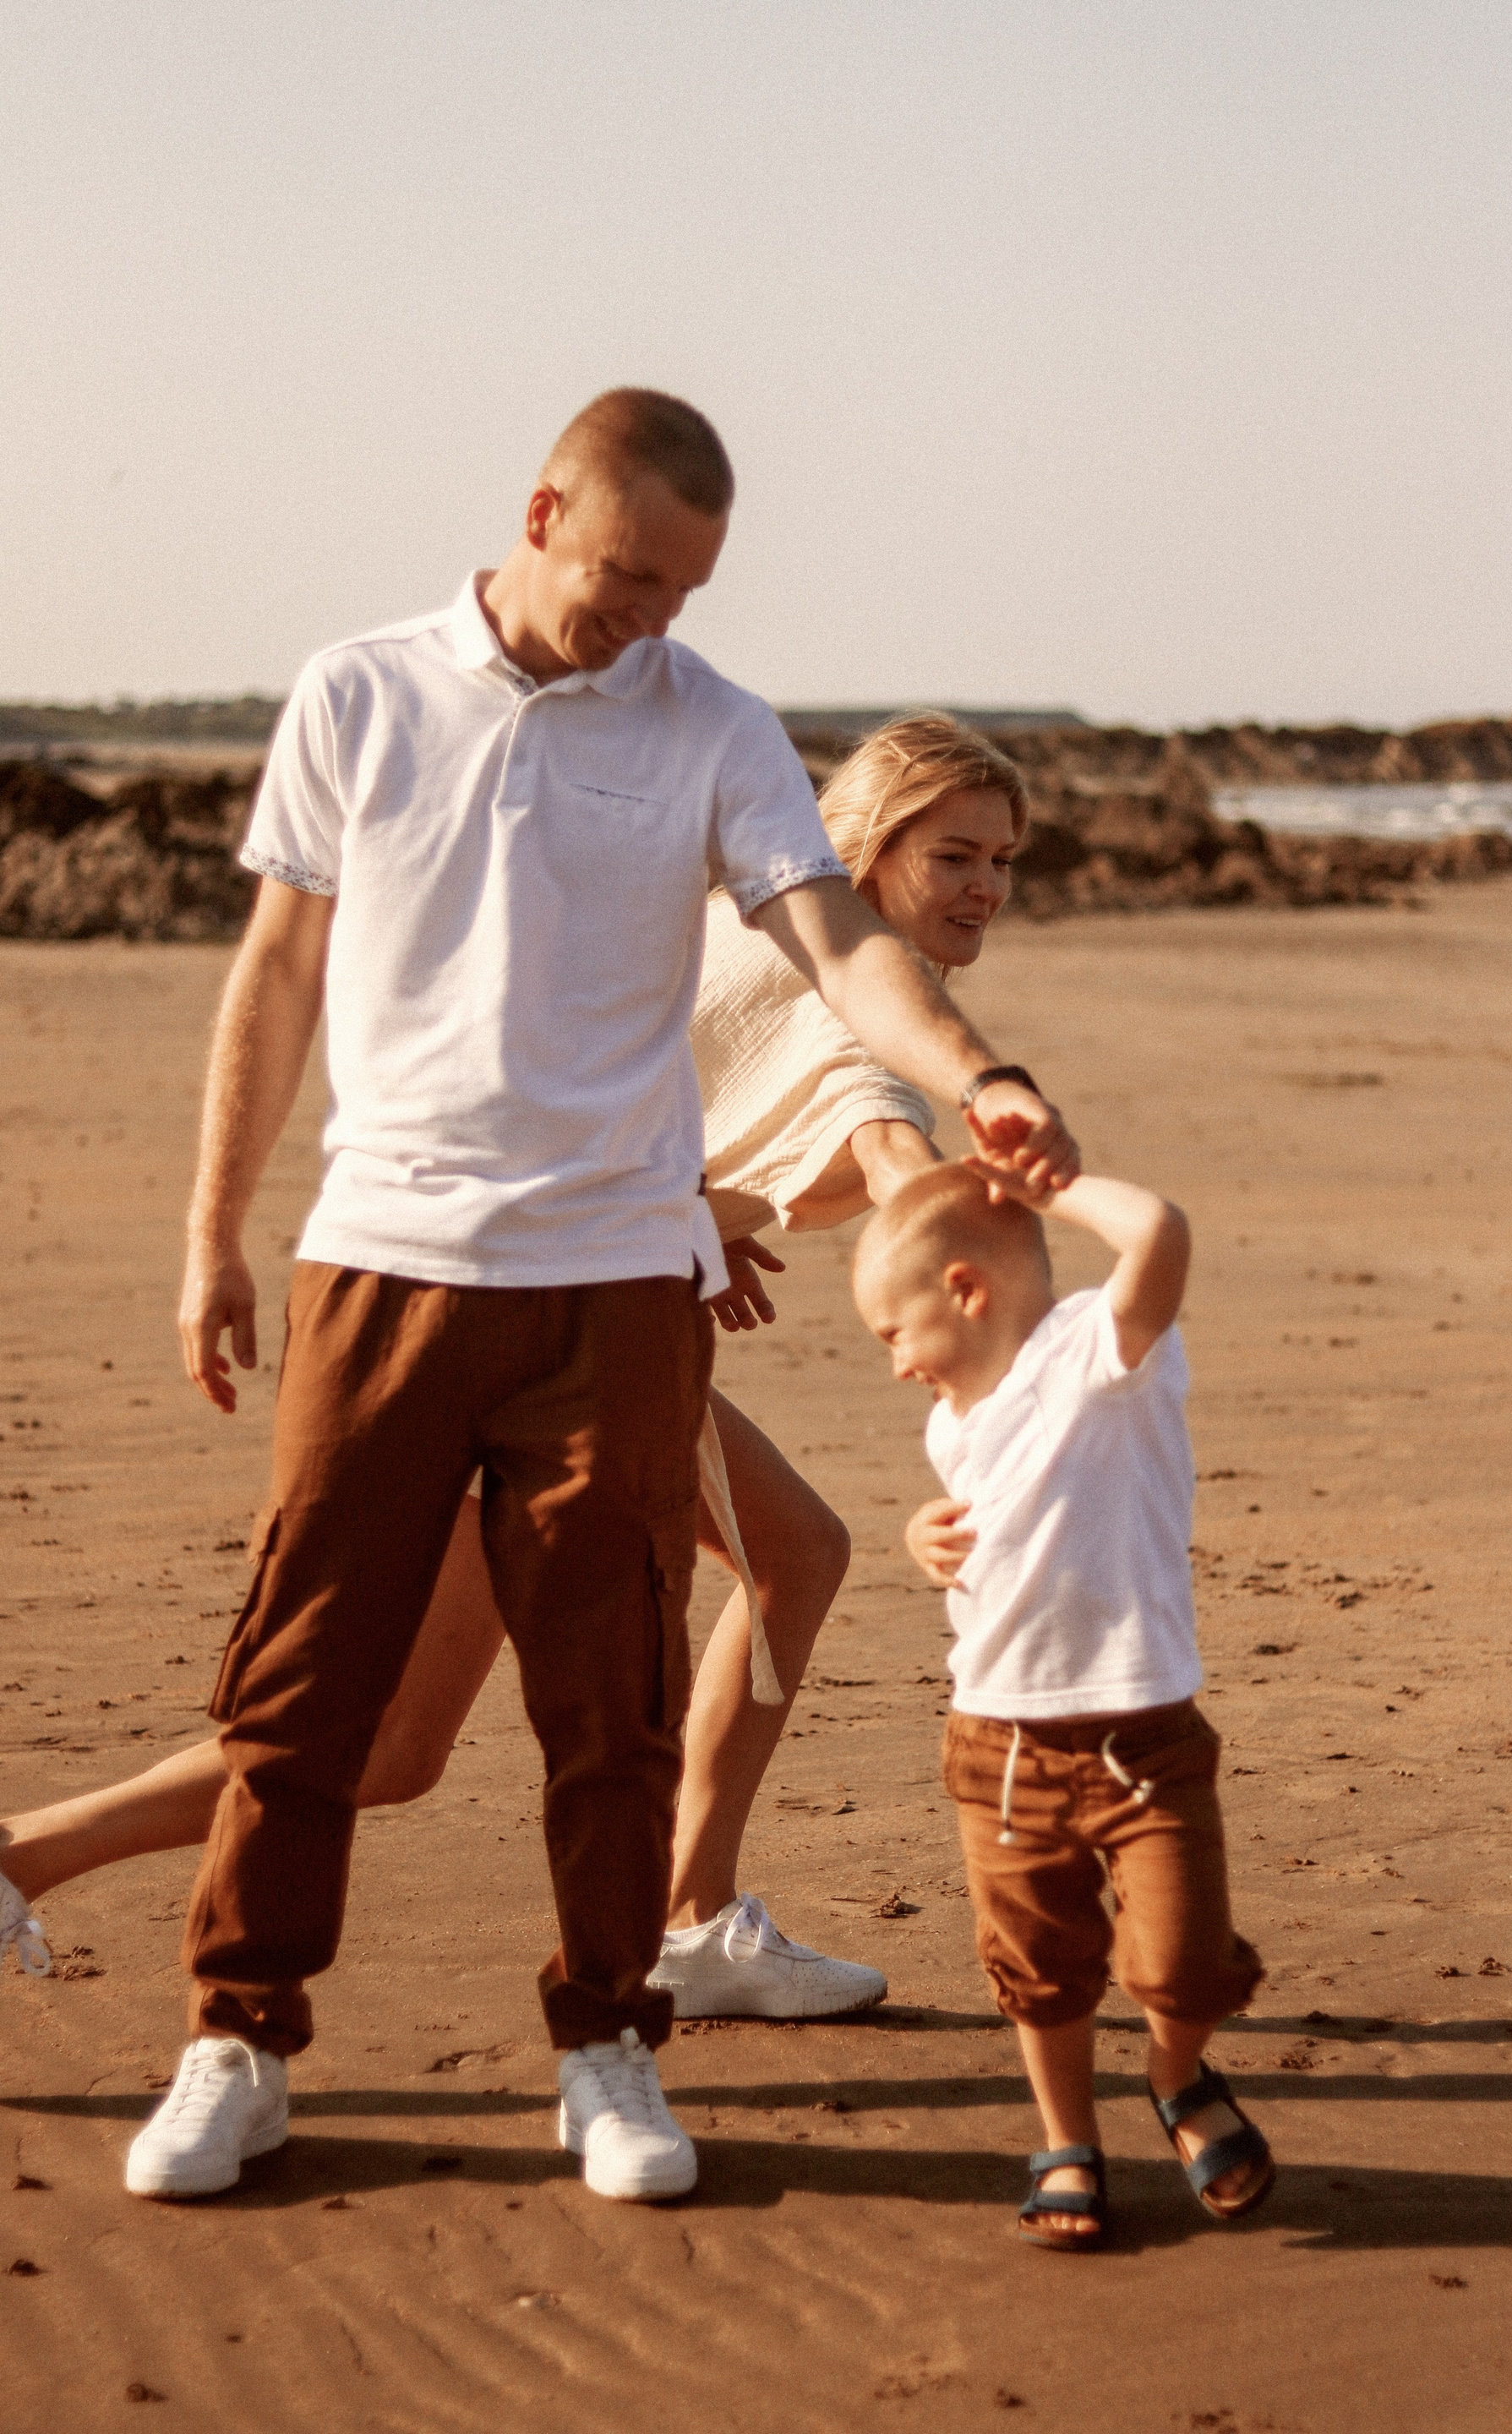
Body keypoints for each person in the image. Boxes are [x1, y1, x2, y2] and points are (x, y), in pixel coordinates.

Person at [46, 389, 1080, 2211]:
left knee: (609, 1708)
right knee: (307, 1696)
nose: (652, 618)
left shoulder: (713, 727)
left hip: (615, 1288)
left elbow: (837, 944)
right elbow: (275, 976)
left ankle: (610, 2048)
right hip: (383, 1265)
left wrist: (980, 1070)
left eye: (687, 590)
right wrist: (212, 1233)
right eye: (629, 577)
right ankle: (238, 2043)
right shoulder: (360, 692)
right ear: (541, 514)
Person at [1, 714, 1033, 2024]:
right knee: (439, 1721)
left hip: (500, 1298)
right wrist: (1015, 1363)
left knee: (443, 1721)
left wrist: (696, 1220)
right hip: (550, 1339)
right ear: (871, 846)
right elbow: (896, 1167)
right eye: (955, 856)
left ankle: (688, 1917)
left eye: (1005, 861)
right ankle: (683, 1920)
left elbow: (636, 1085)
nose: (986, 887)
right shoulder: (851, 1005)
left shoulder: (732, 918)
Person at [851, 1162, 1273, 2251]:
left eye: (895, 1334)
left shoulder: (1099, 1356)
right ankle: (1067, 2140)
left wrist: (1048, 1183)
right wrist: (922, 1537)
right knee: (1038, 1972)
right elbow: (993, 1527)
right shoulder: (953, 1422)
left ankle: (1175, 2074)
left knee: (1183, 1965)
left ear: (966, 1290)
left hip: (1144, 1741)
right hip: (999, 1743)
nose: (895, 1364)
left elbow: (1160, 1231)